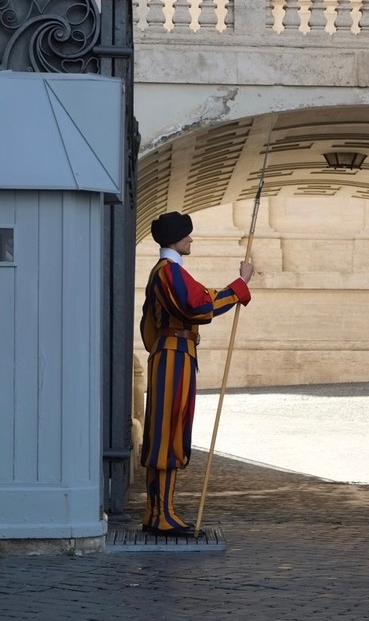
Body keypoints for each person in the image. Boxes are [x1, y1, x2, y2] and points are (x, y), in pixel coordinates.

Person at [139, 211, 254, 536]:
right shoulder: (168, 272)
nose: (191, 239)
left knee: (168, 429)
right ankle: (161, 514)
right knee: (168, 432)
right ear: (175, 239)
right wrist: (240, 286)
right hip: (174, 357)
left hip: (173, 354)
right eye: (187, 235)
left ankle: (157, 511)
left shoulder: (167, 272)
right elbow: (198, 305)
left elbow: (150, 322)